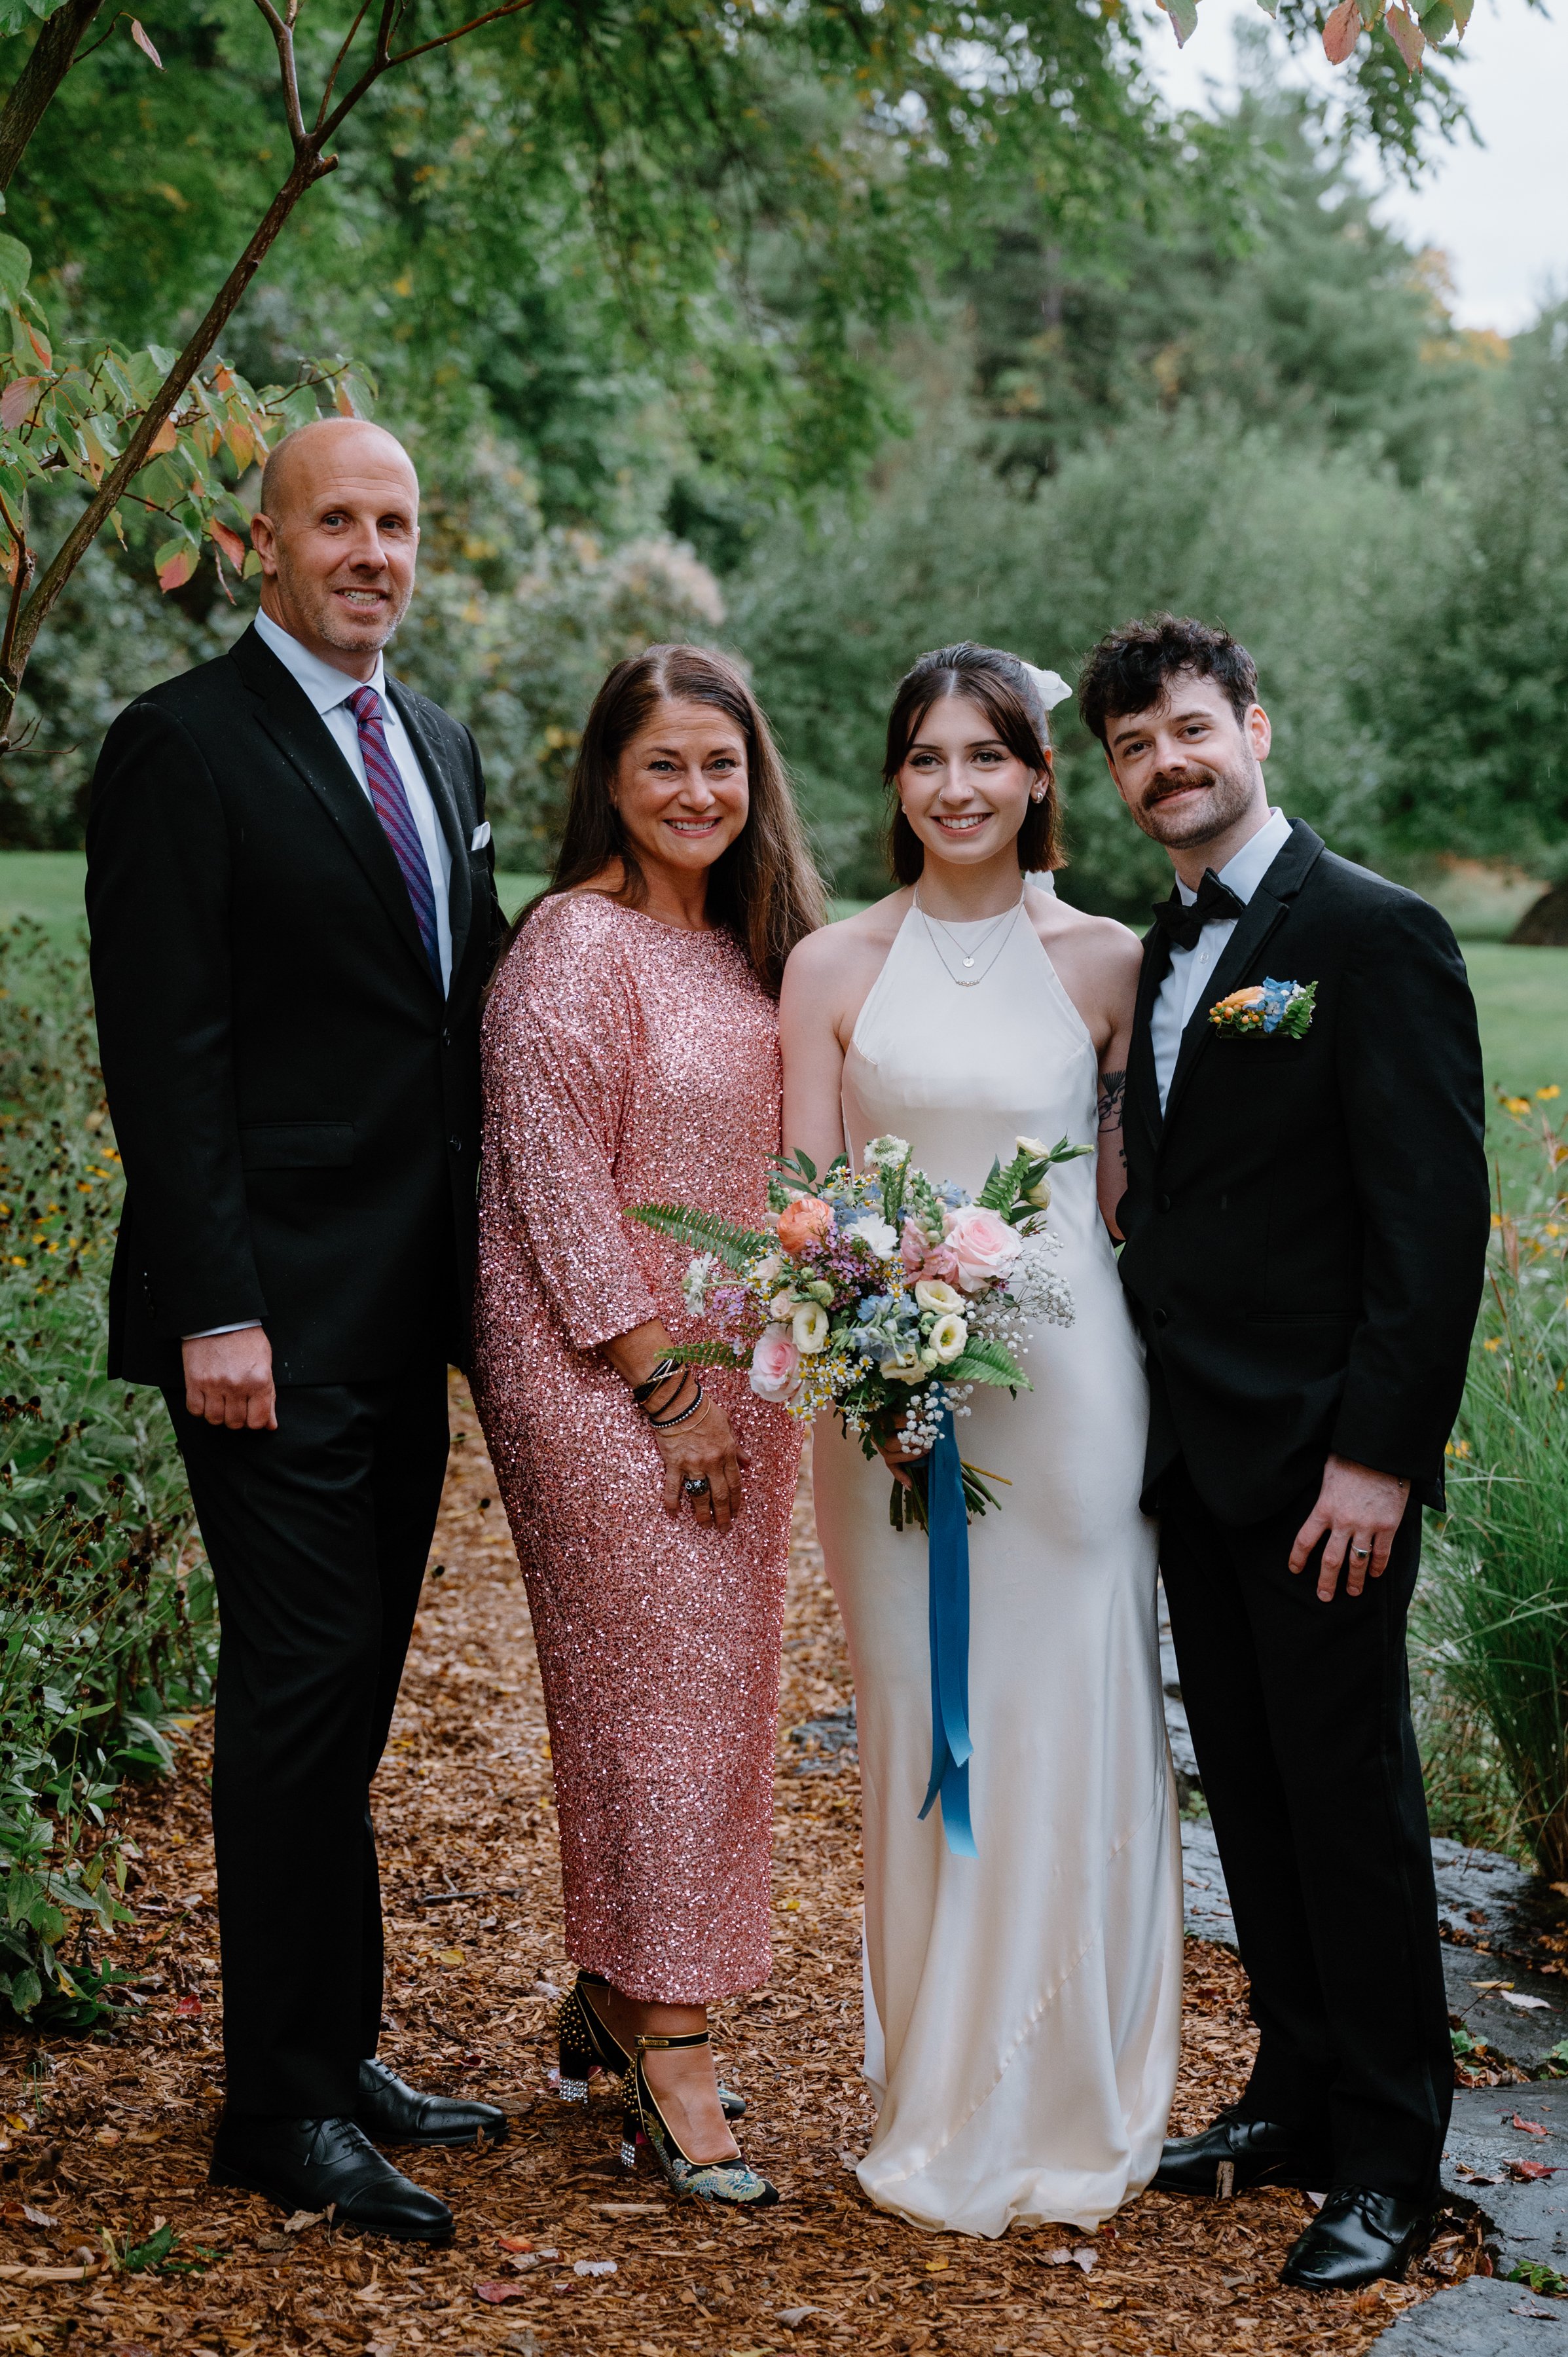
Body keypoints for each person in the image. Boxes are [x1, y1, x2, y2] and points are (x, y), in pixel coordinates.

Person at [86, 417, 508, 2242]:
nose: (370, 552)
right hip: (262, 1328)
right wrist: (217, 1308)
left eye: (395, 523)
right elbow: (163, 1052)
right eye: (335, 520)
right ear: (261, 543)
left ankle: (335, 2050)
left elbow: (459, 1012)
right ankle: (275, 2109)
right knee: (297, 1691)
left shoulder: (437, 741)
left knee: (351, 1693)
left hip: (402, 1314)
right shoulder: (181, 745)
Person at [1080, 613, 1489, 2292]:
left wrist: (1377, 1459)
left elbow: (1431, 1225)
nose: (1165, 763)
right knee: (1247, 1793)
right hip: (1192, 1454)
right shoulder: (1160, 948)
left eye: (1189, 728)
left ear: (1254, 727)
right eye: (1133, 747)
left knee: (1349, 1803)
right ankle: (1295, 2092)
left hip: (1326, 1469)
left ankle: (1389, 2156)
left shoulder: (1374, 936)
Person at [778, 642, 1182, 2238]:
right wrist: (870, 1371)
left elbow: (1133, 1198)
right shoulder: (831, 966)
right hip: (885, 1411)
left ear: (1036, 777)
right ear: (895, 781)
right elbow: (803, 1207)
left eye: (987, 757)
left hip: (1068, 1394)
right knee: (918, 1722)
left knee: (1063, 1712)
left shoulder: (1108, 961)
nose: (957, 787)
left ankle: (1070, 2089)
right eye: (927, 758)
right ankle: (937, 2091)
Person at [473, 644, 825, 2207]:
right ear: (609, 780)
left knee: (707, 1699)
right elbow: (551, 1188)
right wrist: (665, 1389)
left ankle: (619, 1989)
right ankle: (672, 2048)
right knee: (658, 1704)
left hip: (745, 1379)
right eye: (664, 764)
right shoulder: (572, 944)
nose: (697, 793)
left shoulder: (757, 947)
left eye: (720, 765)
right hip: (602, 1372)